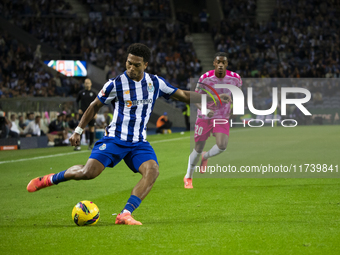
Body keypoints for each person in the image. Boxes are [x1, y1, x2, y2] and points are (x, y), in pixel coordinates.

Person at [27, 43, 231, 225]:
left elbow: (184, 95)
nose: (131, 68)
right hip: (115, 139)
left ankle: (125, 214)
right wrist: (78, 130)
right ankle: (51, 179)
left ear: (146, 65)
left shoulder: (155, 83)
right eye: (129, 63)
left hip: (138, 143)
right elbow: (94, 106)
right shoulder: (115, 84)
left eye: (136, 64)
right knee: (87, 173)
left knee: (153, 171)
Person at [184, 52, 242, 189]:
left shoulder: (235, 78)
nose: (221, 65)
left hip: (222, 116)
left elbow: (238, 95)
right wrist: (203, 110)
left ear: (226, 64)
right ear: (214, 63)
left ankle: (206, 156)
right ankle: (188, 177)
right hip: (205, 117)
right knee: (197, 149)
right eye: (218, 62)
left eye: (223, 63)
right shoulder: (205, 78)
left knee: (222, 146)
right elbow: (195, 98)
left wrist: (235, 110)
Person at [75, 78, 97, 151]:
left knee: (91, 128)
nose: (87, 84)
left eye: (88, 83)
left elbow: (97, 104)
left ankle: (90, 144)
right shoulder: (81, 93)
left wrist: (96, 112)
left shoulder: (93, 93)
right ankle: (78, 145)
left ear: (91, 84)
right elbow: (76, 102)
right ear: (84, 84)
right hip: (83, 113)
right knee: (80, 128)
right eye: (86, 83)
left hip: (91, 114)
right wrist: (78, 109)